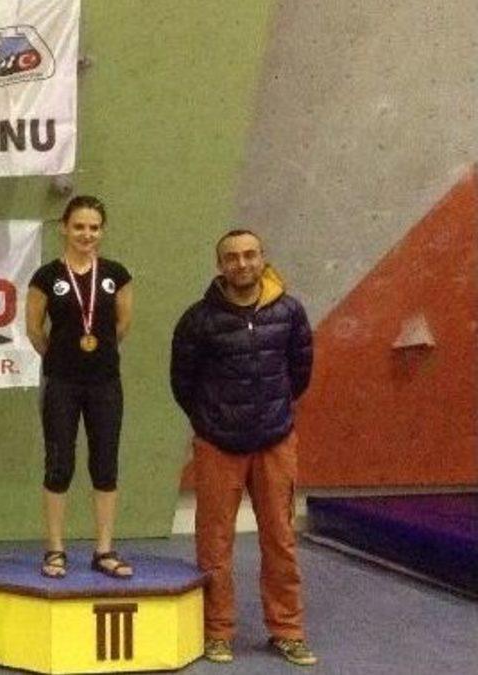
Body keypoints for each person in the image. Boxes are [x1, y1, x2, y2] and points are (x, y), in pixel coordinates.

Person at [170, 229, 317, 666]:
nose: (242, 263)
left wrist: (274, 415)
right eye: (232, 257)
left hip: (275, 440)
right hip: (217, 444)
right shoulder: (198, 320)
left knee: (281, 539)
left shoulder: (290, 312)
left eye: (250, 255)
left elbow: (300, 372)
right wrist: (210, 422)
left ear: (262, 259)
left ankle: (287, 631)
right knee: (214, 544)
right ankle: (217, 631)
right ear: (221, 266)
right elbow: (182, 382)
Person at [26, 195, 135, 579]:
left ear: (101, 231)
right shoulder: (47, 277)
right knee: (59, 464)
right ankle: (55, 549)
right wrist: (59, 356)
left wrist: (96, 352)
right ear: (64, 228)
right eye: (79, 227)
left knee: (105, 464)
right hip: (62, 382)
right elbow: (34, 330)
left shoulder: (116, 274)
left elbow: (122, 325)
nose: (86, 234)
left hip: (105, 382)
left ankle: (104, 549)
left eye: (93, 228)